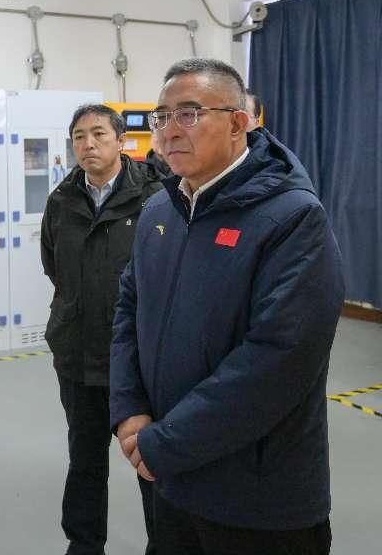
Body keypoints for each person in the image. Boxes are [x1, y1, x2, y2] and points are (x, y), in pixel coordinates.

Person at [110, 58, 344, 555]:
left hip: (257, 497)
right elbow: (130, 308)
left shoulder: (293, 218)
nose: (169, 130)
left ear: (238, 123)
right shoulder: (160, 210)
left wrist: (164, 444)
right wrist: (129, 410)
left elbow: (278, 360)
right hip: (170, 483)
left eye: (188, 114)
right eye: (161, 117)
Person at [40, 103, 162, 555]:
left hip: (137, 359)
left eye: (98, 134)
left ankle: (164, 542)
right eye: (79, 137)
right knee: (85, 460)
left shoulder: (154, 197)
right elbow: (53, 265)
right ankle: (84, 543)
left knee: (151, 457)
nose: (88, 144)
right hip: (77, 356)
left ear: (121, 141)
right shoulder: (61, 201)